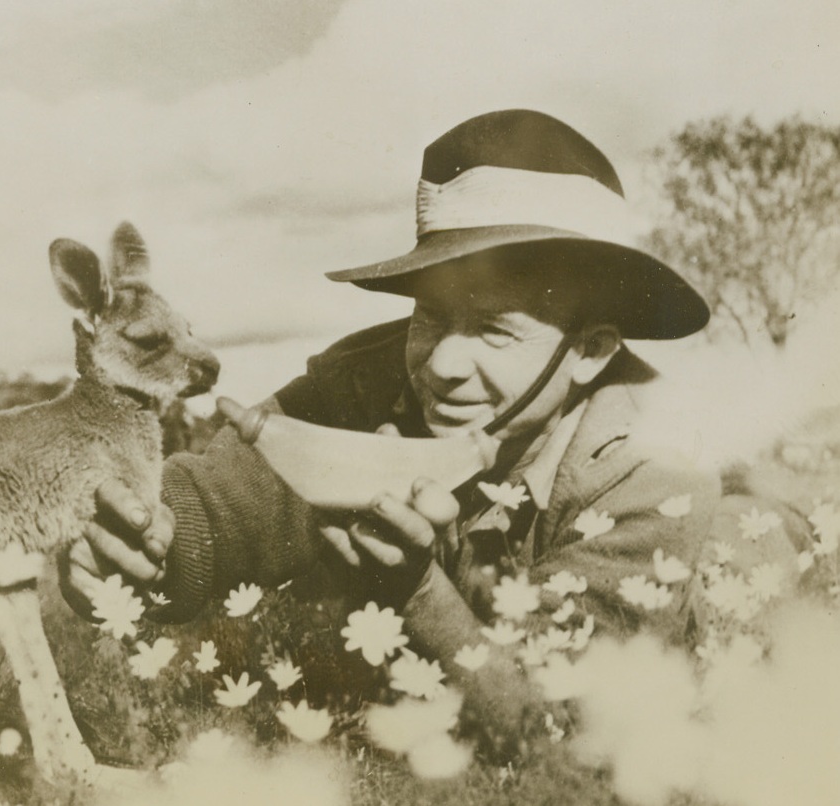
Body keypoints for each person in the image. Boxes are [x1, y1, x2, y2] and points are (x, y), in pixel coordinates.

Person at [62, 109, 724, 754]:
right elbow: (217, 507)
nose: (441, 364)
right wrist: (136, 539)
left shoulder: (656, 473)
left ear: (592, 349)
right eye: (431, 317)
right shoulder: (364, 383)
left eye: (495, 329)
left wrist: (416, 591)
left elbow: (557, 733)